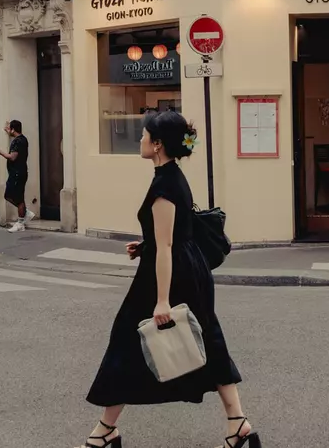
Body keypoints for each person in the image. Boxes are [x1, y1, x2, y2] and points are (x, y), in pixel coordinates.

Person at [79, 111, 258, 448]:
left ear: (158, 144)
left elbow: (167, 245)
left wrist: (162, 300)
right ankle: (237, 422)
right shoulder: (172, 175)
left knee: (126, 342)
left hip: (169, 276)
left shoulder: (164, 184)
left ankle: (105, 430)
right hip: (188, 268)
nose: (141, 141)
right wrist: (144, 245)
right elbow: (170, 235)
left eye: (145, 136)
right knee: (207, 340)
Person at [0, 119, 33, 232]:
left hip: (16, 173)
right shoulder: (23, 139)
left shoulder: (17, 142)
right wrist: (8, 130)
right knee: (17, 196)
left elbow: (12, 157)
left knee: (14, 197)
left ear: (13, 130)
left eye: (9, 128)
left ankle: (20, 222)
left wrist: (0, 152)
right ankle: (25, 214)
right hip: (20, 172)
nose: (8, 130)